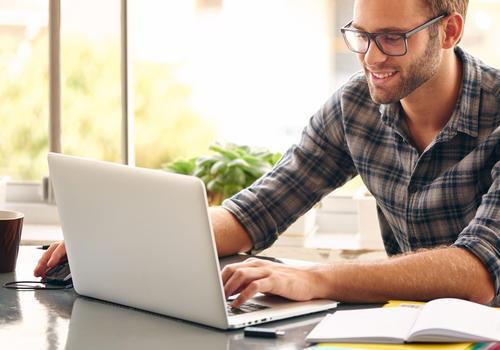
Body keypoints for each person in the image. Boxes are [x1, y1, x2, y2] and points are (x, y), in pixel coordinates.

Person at [35, 0, 499, 307]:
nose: (371, 57)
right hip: (409, 329)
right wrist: (117, 238)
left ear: (450, 31)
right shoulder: (354, 106)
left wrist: (315, 277)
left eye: (393, 37)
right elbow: (254, 212)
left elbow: (479, 272)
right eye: (361, 35)